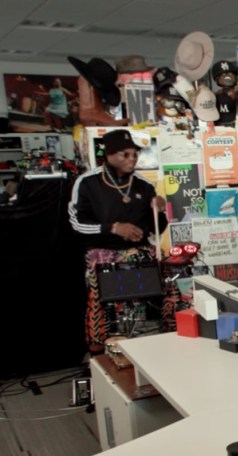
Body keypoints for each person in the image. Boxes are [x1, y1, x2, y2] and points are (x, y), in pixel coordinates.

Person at [69, 129, 168, 352]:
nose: (131, 159)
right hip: (102, 258)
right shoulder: (87, 183)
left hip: (139, 257)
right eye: (125, 154)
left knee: (146, 314)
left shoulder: (144, 185)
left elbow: (156, 229)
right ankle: (104, 361)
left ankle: (149, 354)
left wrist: (158, 212)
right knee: (108, 319)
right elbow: (76, 223)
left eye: (134, 154)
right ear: (109, 155)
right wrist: (113, 228)